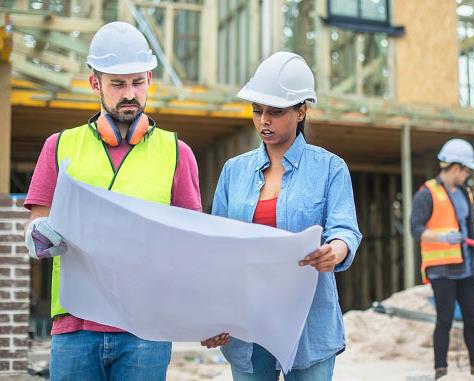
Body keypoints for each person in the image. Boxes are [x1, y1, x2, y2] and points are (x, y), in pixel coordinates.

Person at [23, 22, 207, 380]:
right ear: (96, 83)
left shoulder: (177, 153)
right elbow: (35, 224)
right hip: (75, 324)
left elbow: (191, 242)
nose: (130, 94)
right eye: (118, 84)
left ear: (150, 79)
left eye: (138, 82)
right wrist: (40, 234)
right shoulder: (59, 146)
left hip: (147, 328)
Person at [209, 51, 362, 380]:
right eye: (257, 110)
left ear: (301, 110)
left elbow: (345, 230)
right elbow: (216, 251)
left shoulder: (329, 169)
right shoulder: (233, 173)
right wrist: (213, 315)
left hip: (308, 324)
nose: (264, 120)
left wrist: (334, 251)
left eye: (275, 112)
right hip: (247, 323)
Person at [410, 139, 474, 380]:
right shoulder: (427, 193)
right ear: (456, 168)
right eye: (467, 170)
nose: (467, 176)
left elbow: (470, 226)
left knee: (472, 318)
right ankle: (441, 370)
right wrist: (443, 237)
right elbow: (415, 228)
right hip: (442, 268)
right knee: (444, 319)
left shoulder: (466, 193)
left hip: (468, 267)